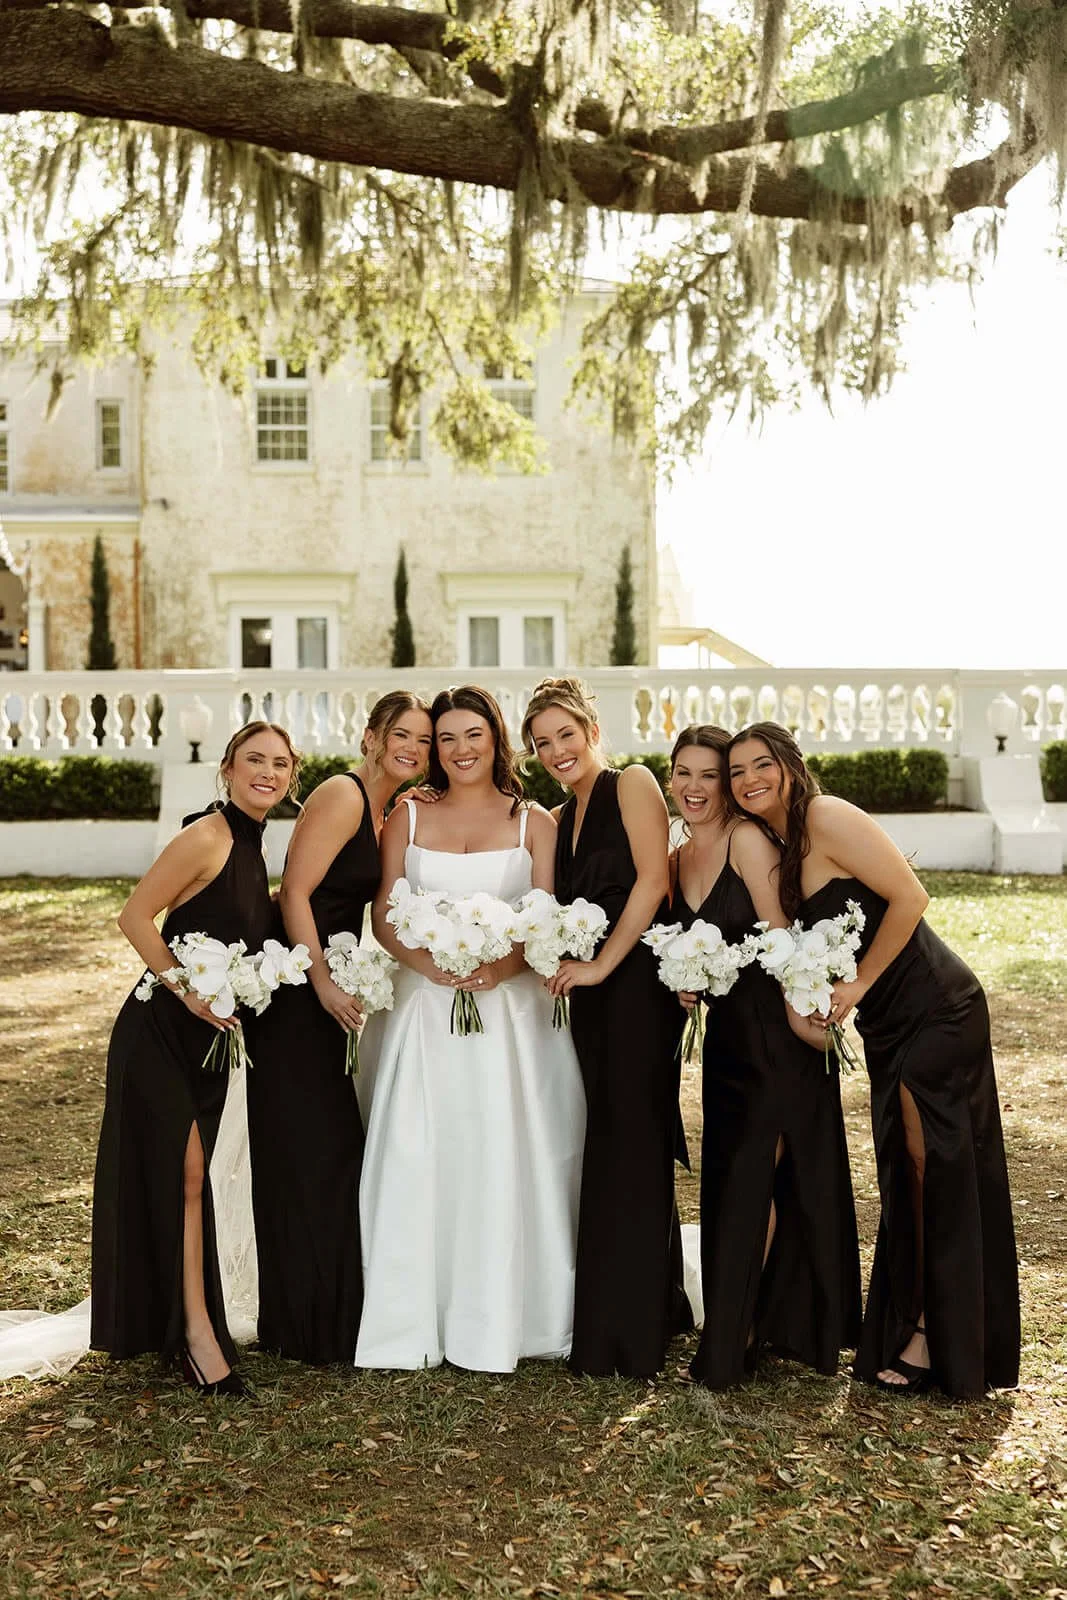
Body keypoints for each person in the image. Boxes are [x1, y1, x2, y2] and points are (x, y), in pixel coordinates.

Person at [727, 722, 1020, 1399]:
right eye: (736, 770)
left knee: (933, 1168)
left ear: (790, 766)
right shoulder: (780, 845)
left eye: (760, 764)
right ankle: (917, 1322)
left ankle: (931, 1334)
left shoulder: (825, 816)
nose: (748, 780)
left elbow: (910, 897)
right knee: (904, 1171)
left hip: (936, 1007)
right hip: (887, 1026)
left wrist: (855, 984)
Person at [354, 685, 586, 1372]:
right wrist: (432, 965)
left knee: (502, 1149)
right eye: (445, 738)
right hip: (422, 1011)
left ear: (495, 741)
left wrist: (501, 965)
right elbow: (384, 916)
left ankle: (513, 1311)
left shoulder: (531, 822)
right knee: (422, 1149)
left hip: (510, 1017)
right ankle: (409, 1314)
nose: (458, 750)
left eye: (471, 736)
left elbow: (543, 914)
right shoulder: (407, 816)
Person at [91, 722, 299, 1395]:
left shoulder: (254, 843)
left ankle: (183, 1321)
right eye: (255, 761)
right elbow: (134, 917)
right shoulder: (206, 835)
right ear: (227, 769)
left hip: (207, 1039)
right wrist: (188, 992)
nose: (268, 773)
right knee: (182, 1175)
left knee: (190, 1181)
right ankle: (196, 1338)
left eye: (281, 764)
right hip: (159, 1029)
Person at [666, 725, 861, 1388]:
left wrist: (802, 1023)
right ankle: (755, 1322)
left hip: (772, 1036)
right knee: (733, 1182)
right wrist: (688, 979)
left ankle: (731, 1341)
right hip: (725, 1042)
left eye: (709, 776)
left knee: (756, 1180)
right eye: (683, 774)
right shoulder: (677, 851)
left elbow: (783, 937)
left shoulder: (745, 840)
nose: (695, 788)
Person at [247, 693, 433, 1364]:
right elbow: (294, 891)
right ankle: (303, 1324)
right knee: (311, 1150)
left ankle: (320, 1314)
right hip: (298, 992)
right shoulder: (343, 794)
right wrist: (320, 977)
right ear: (372, 735)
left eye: (423, 739)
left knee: (323, 1151)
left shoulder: (387, 808)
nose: (412, 747)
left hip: (323, 991)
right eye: (401, 734)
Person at [523, 677, 690, 1378]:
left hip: (635, 990)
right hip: (589, 1001)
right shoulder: (558, 817)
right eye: (541, 743)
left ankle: (633, 1327)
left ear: (591, 730)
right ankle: (647, 1301)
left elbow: (652, 882)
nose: (556, 750)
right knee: (610, 1140)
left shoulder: (633, 785)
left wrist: (599, 967)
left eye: (565, 734)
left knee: (631, 1139)